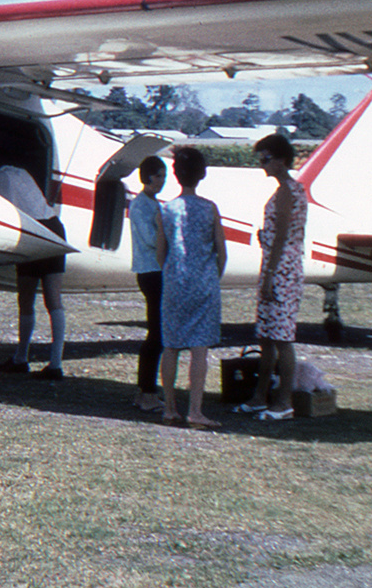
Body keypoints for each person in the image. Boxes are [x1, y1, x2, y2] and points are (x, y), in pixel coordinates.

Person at [234, 132, 307, 421]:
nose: (262, 164)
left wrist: (270, 276)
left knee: (281, 338)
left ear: (280, 160)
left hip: (281, 270)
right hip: (279, 267)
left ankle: (284, 402)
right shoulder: (287, 189)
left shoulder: (288, 191)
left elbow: (281, 239)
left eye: (265, 158)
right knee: (266, 336)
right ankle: (260, 397)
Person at [155, 146, 226, 430]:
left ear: (175, 174)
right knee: (199, 348)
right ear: (202, 174)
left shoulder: (166, 210)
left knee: (170, 345)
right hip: (204, 281)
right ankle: (195, 410)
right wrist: (212, 275)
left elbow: (161, 251)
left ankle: (170, 407)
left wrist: (171, 272)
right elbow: (221, 252)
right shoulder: (210, 208)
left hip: (175, 281)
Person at [0, 148, 68, 379]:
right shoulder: (19, 172)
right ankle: (53, 363)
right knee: (52, 299)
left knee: (29, 297)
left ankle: (26, 358)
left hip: (36, 231)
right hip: (53, 227)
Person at [128, 155, 167, 411]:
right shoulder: (141, 206)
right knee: (156, 334)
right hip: (151, 272)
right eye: (159, 176)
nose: (162, 181)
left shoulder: (153, 204)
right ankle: (147, 392)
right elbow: (152, 239)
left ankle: (146, 390)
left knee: (158, 333)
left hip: (157, 271)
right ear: (148, 177)